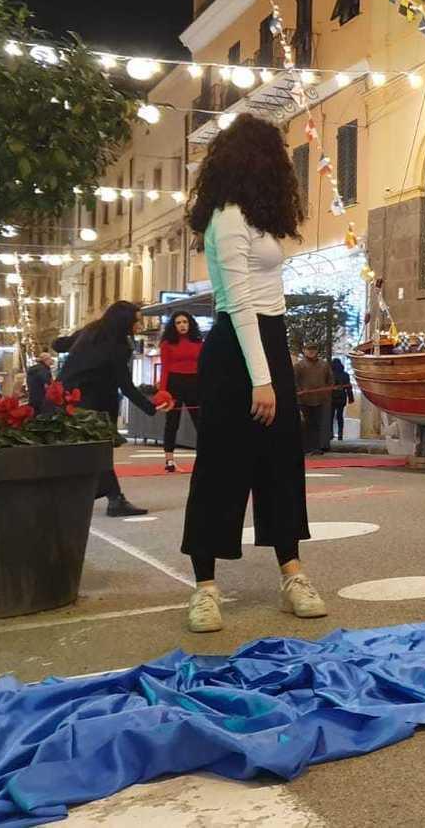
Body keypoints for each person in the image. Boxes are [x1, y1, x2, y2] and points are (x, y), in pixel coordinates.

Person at [180, 114, 325, 634]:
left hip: (269, 341)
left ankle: (293, 574)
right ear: (255, 158)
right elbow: (238, 304)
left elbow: (271, 301)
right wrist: (262, 379)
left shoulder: (261, 219)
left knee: (281, 463)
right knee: (221, 467)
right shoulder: (227, 218)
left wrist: (273, 365)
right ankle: (205, 588)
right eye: (276, 154)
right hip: (233, 351)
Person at [58, 300, 169, 518]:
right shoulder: (118, 346)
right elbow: (125, 385)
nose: (139, 326)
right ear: (124, 322)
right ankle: (113, 500)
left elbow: (59, 344)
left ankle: (113, 499)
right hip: (95, 404)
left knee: (93, 454)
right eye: (136, 321)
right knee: (99, 454)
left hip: (71, 399)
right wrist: (151, 407)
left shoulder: (90, 331)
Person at [158, 310, 203, 473]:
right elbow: (164, 369)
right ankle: (169, 460)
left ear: (190, 323)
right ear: (173, 326)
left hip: (195, 383)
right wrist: (162, 392)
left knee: (200, 421)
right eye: (178, 323)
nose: (182, 325)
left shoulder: (199, 342)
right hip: (174, 383)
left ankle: (204, 457)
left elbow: (203, 367)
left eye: (185, 322)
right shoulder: (167, 344)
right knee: (172, 422)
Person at [294, 342, 333, 456]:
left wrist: (326, 392)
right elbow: (294, 381)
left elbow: (330, 380)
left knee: (317, 424)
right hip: (303, 400)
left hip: (320, 400)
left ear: (317, 351)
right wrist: (299, 391)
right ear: (304, 350)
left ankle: (317, 447)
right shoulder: (299, 366)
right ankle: (305, 448)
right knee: (305, 425)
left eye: (313, 349)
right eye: (308, 349)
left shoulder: (324, 365)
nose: (311, 351)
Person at [330, 357, 355, 441]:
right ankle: (340, 434)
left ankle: (330, 434)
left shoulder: (330, 375)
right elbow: (349, 388)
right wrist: (351, 398)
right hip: (341, 397)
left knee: (331, 416)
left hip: (331, 398)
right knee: (340, 416)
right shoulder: (345, 375)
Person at [25, 350, 54, 415]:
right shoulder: (43, 369)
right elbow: (47, 383)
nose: (51, 360)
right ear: (46, 360)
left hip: (32, 397)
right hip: (41, 399)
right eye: (50, 359)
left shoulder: (34, 369)